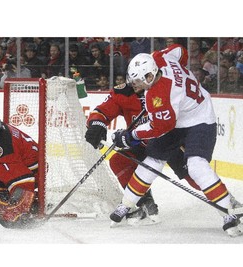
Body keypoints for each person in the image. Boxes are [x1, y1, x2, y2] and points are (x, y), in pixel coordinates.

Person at [109, 45, 243, 237]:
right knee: (152, 161)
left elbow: (158, 128)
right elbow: (181, 51)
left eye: (139, 81)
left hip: (200, 119)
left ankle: (227, 211)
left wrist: (130, 136)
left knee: (196, 166)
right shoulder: (160, 58)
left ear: (149, 76)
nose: (135, 85)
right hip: (180, 114)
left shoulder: (160, 95)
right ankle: (127, 204)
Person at [85, 44, 201, 225]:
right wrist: (96, 124)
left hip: (171, 140)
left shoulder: (166, 85)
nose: (136, 85)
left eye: (139, 80)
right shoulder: (123, 93)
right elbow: (102, 111)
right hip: (140, 142)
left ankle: (225, 200)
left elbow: (180, 53)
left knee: (195, 175)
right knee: (118, 160)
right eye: (133, 82)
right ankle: (144, 202)